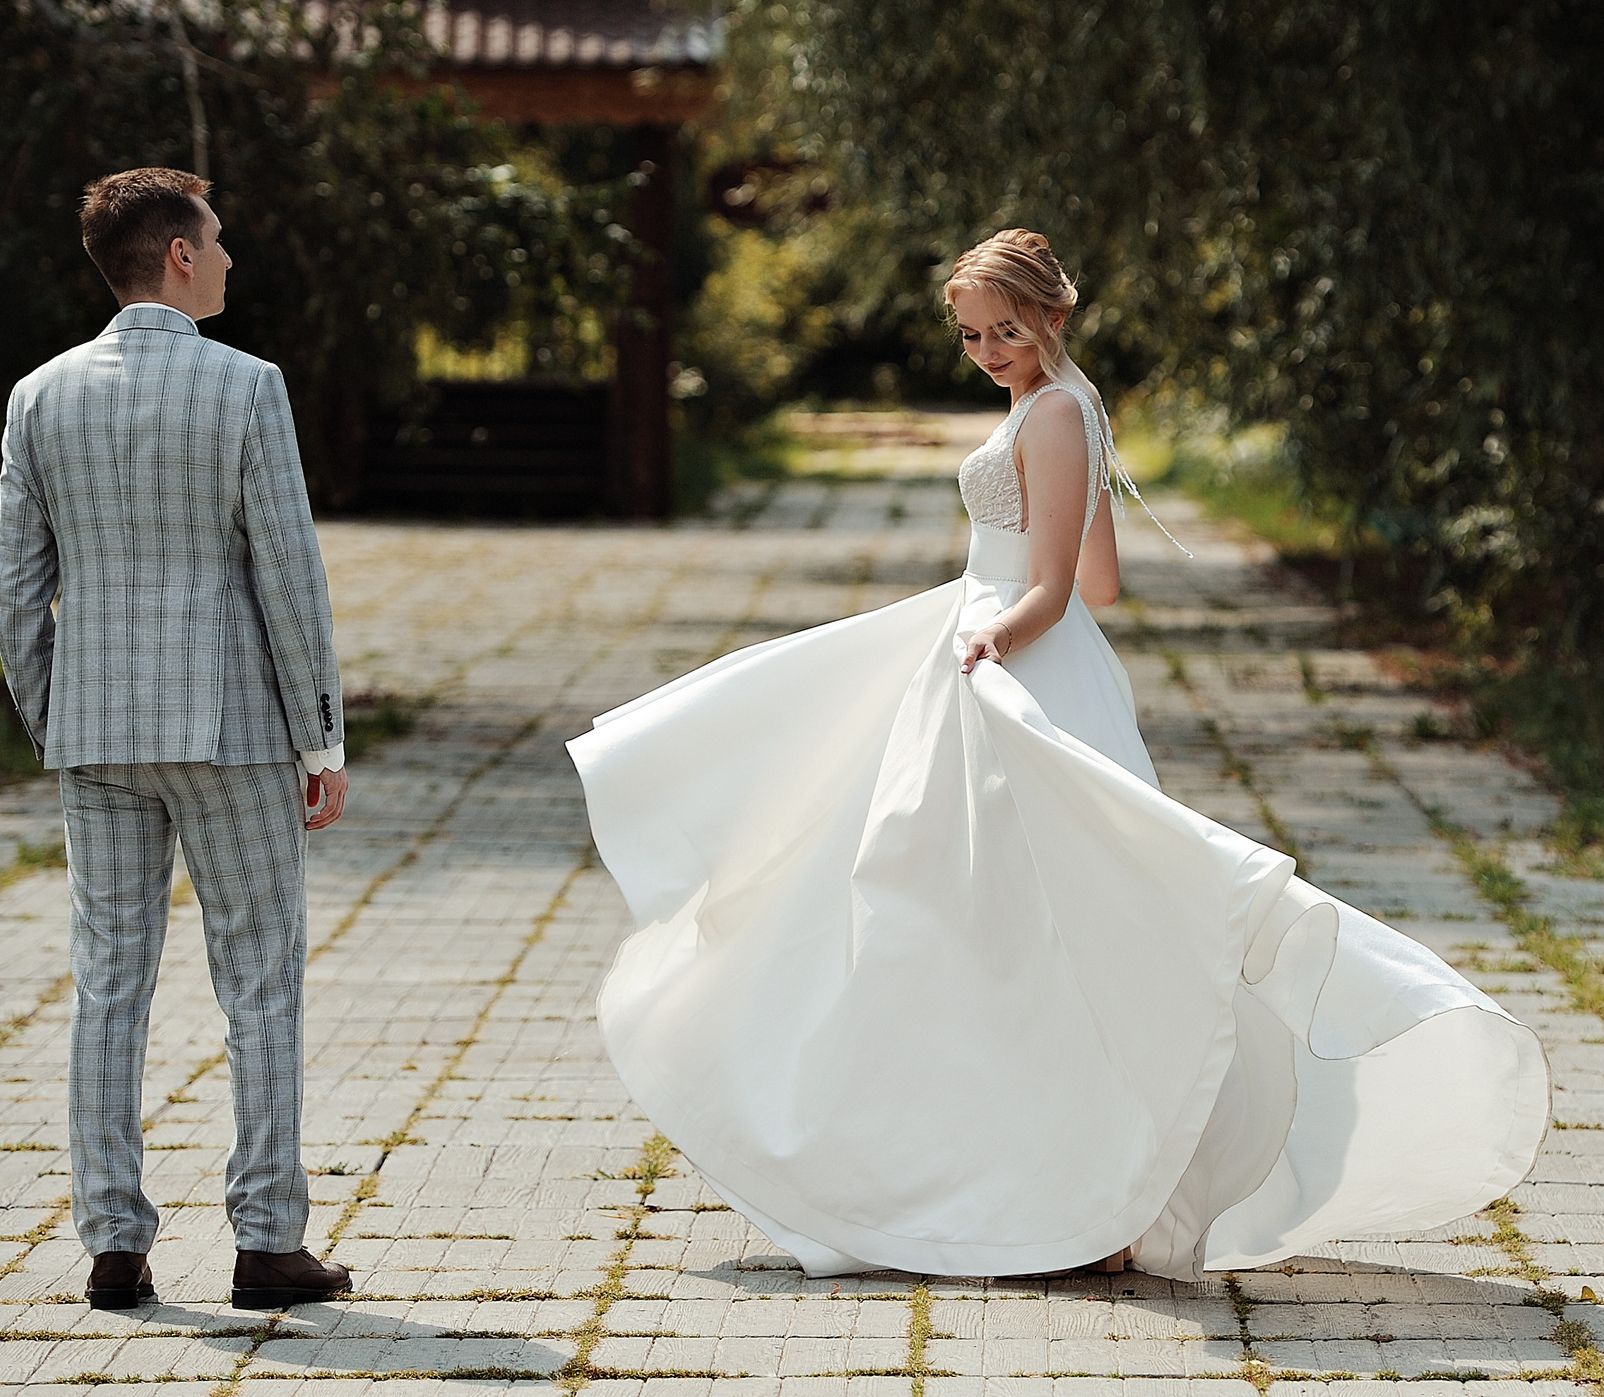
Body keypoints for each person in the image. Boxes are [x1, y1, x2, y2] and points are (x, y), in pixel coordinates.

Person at [567, 228, 1548, 1280]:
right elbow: (1102, 581)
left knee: (1039, 915)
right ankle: (1021, 1173)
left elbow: (1057, 590)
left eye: (1006, 328)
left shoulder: (1055, 412)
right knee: (988, 914)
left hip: (1012, 663)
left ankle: (1089, 1191)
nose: (989, 349)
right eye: (971, 334)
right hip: (1010, 649)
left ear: (1054, 314)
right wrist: (1001, 608)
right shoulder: (1053, 408)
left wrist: (994, 632)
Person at [0, 168, 355, 1313]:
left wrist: (54, 719)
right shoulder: (247, 387)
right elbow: (286, 572)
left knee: (109, 984)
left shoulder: (38, 397)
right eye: (220, 240)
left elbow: (16, 594)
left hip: (95, 730)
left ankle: (112, 1244)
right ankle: (266, 1243)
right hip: (232, 730)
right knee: (259, 984)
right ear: (180, 257)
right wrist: (320, 739)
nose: (233, 257)